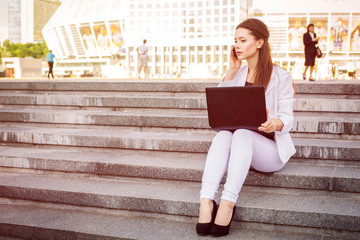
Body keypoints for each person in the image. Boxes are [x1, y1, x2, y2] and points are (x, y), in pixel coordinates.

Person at [196, 18, 296, 237]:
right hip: (242, 146)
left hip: (270, 151)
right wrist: (231, 71)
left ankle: (227, 204)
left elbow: (288, 118)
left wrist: (275, 123)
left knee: (242, 133)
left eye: (243, 40)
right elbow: (220, 109)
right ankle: (206, 203)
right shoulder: (238, 74)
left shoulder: (281, 76)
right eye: (235, 41)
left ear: (259, 42)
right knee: (223, 135)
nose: (237, 46)